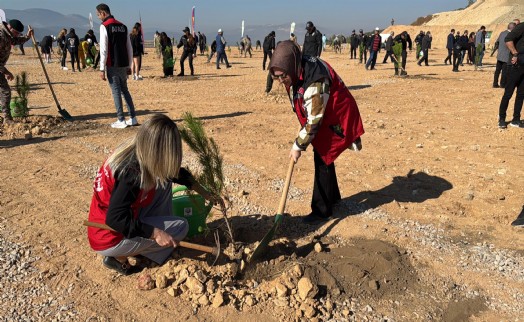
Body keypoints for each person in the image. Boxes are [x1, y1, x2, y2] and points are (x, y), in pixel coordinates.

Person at [87, 114, 225, 275]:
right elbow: (115, 219)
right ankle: (119, 257)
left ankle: (153, 239)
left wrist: (205, 193)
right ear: (157, 151)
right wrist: (155, 233)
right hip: (110, 236)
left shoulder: (136, 151)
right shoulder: (131, 174)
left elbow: (173, 172)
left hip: (120, 217)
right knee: (181, 227)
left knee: (163, 180)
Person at [268, 40, 364, 224]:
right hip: (324, 114)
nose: (280, 81)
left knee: (323, 156)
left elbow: (314, 122)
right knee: (324, 156)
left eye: (282, 76)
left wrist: (298, 145)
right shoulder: (298, 68)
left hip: (336, 116)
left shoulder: (315, 80)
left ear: (291, 66)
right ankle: (333, 197)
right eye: (276, 77)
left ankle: (322, 210)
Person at [96, 3, 138, 129]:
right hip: (124, 64)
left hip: (112, 64)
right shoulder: (123, 26)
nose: (98, 17)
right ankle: (133, 117)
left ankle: (121, 119)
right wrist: (129, 65)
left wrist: (102, 68)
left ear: (103, 13)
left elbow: (103, 49)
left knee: (116, 91)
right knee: (125, 90)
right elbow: (129, 48)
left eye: (98, 14)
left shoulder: (105, 26)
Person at [0, 19, 33, 124]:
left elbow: (16, 41)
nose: (17, 35)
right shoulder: (1, 36)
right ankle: (7, 118)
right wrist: (6, 72)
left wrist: (27, 36)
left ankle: (6, 117)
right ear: (10, 28)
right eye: (17, 32)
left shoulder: (7, 35)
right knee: (5, 92)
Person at [498, 21, 524, 129]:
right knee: (508, 93)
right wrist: (515, 53)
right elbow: (508, 39)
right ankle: (502, 119)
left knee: (521, 95)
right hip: (515, 66)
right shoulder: (521, 27)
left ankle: (516, 119)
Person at [493, 23, 516, 88]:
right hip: (506, 56)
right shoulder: (511, 35)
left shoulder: (502, 33)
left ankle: (495, 84)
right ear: (513, 28)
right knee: (504, 71)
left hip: (499, 55)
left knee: (497, 71)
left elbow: (497, 42)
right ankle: (502, 84)